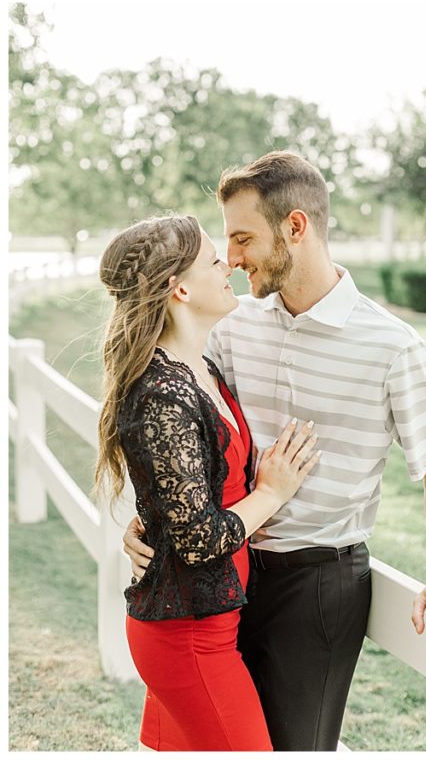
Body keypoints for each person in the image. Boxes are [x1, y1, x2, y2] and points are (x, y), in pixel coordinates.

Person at [123, 151, 426, 751]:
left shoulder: (393, 347)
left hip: (317, 585)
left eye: (242, 238)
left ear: (296, 227)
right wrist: (154, 519)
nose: (232, 257)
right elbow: (192, 441)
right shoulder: (233, 326)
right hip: (223, 574)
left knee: (295, 747)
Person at [94, 215, 322, 750]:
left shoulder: (200, 368)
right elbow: (197, 540)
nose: (229, 265)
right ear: (180, 288)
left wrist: (152, 521)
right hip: (188, 636)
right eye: (212, 261)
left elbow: (183, 491)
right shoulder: (162, 394)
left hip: (209, 621)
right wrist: (272, 492)